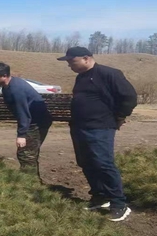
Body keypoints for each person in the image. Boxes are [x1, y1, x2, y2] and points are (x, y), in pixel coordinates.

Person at [58, 46, 137, 222]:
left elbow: (129, 97)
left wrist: (120, 116)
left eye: (72, 61)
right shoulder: (81, 77)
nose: (69, 65)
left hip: (100, 127)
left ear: (86, 58)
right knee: (86, 162)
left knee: (103, 163)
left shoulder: (109, 74)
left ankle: (119, 203)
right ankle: (100, 196)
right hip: (79, 126)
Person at [0, 62, 53, 180]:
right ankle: (33, 181)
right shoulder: (8, 85)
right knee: (29, 153)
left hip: (35, 123)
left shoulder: (16, 89)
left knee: (26, 154)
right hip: (32, 121)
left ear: (4, 75)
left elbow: (23, 113)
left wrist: (21, 135)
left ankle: (30, 183)